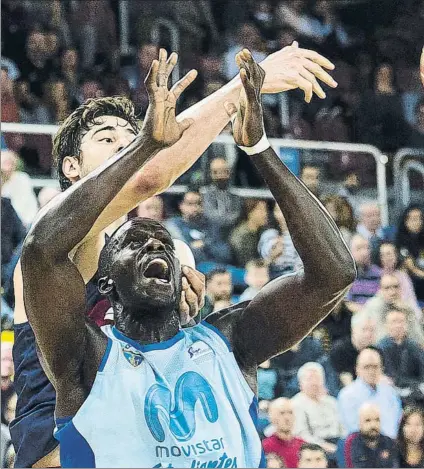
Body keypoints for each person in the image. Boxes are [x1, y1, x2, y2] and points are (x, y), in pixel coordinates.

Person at [20, 50, 355, 467]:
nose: (123, 146)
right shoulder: (66, 239)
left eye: (129, 138)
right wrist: (237, 91)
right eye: (107, 140)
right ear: (71, 166)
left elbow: (332, 276)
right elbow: (147, 177)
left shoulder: (164, 257)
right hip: (57, 443)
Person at [337, 347, 402, 439]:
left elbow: (399, 423)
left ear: (382, 369)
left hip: (394, 446)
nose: (371, 371)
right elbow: (353, 430)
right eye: (366, 367)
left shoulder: (390, 393)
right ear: (357, 370)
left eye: (375, 366)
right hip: (363, 447)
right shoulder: (347, 396)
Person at [165, 190, 233, 265]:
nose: (195, 208)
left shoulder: (212, 225)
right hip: (192, 268)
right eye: (190, 204)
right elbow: (183, 254)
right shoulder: (173, 225)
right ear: (181, 205)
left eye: (199, 203)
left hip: (221, 267)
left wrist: (205, 244)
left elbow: (226, 254)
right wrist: (206, 247)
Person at [292, 363, 343, 458]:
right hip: (314, 448)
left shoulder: (332, 402)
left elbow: (342, 428)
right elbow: (302, 435)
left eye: (317, 378)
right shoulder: (296, 404)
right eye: (309, 379)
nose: (314, 383)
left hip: (336, 443)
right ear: (300, 383)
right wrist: (322, 446)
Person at [361, 273, 424, 346]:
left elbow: (419, 339)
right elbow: (378, 337)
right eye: (387, 288)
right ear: (380, 290)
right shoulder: (373, 306)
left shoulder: (406, 307)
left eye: (396, 287)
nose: (392, 292)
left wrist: (407, 312)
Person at [378, 309, 424, 400]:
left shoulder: (414, 346)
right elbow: (391, 376)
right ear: (386, 325)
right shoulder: (380, 348)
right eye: (394, 322)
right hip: (391, 391)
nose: (398, 325)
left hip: (416, 390)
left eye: (401, 321)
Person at [344, 403, 399, 468]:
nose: (373, 425)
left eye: (377, 420)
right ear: (359, 423)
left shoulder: (389, 443)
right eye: (368, 420)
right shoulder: (352, 443)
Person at [377, 242, 422, 321]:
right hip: (382, 314)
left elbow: (411, 300)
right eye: (382, 255)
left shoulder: (403, 276)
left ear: (395, 255)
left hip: (404, 313)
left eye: (389, 254)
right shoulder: (376, 275)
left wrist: (418, 317)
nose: (386, 257)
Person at [201, 157, 242, 239]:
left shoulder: (235, 196)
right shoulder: (205, 195)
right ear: (210, 174)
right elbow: (210, 215)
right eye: (215, 172)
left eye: (224, 172)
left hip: (231, 232)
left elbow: (236, 215)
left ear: (229, 173)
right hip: (210, 233)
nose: (220, 176)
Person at [258, 203, 302, 279]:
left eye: (289, 210)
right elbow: (265, 256)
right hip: (274, 278)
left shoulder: (304, 236)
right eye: (279, 210)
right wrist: (273, 253)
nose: (284, 214)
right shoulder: (269, 234)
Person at [330, 312, 376, 382]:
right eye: (364, 329)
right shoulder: (339, 350)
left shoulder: (375, 353)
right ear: (353, 330)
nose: (368, 334)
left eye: (372, 330)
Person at [263, 398, 305, 468]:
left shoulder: (303, 445)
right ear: (271, 418)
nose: (287, 417)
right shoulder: (265, 447)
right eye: (282, 413)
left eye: (290, 412)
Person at [1, 149, 38, 227]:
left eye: (10, 162)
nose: (8, 166)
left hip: (24, 222)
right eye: (5, 163)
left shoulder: (22, 178)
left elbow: (24, 203)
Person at [345, 234, 382, 313]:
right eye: (359, 248)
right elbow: (347, 303)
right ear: (349, 252)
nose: (364, 253)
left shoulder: (378, 273)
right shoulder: (346, 275)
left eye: (367, 248)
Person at [396, 205, 424, 301]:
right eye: (414, 219)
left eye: (420, 218)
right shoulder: (401, 241)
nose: (418, 222)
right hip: (413, 282)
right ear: (406, 221)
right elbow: (412, 268)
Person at [230, 198, 269, 267]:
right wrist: (270, 259)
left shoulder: (261, 231)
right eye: (261, 210)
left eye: (265, 210)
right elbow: (246, 263)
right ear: (250, 212)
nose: (265, 214)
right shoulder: (241, 235)